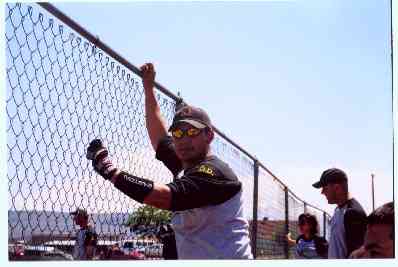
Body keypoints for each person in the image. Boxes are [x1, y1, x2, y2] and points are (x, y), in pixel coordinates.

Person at [86, 63, 253, 259]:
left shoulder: (215, 173)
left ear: (209, 135)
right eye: (178, 133)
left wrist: (109, 169)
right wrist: (148, 87)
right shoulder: (184, 162)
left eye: (191, 132)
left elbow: (164, 197)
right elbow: (159, 137)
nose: (183, 139)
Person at [312, 168, 367, 259]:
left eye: (325, 188)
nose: (322, 192)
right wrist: (326, 248)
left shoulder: (352, 213)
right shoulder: (338, 210)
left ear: (337, 188)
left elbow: (356, 256)